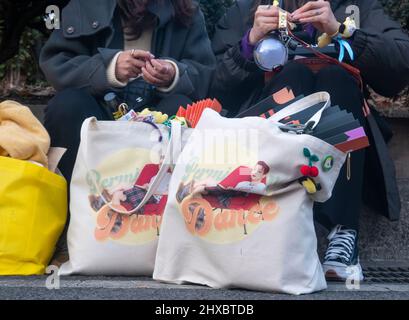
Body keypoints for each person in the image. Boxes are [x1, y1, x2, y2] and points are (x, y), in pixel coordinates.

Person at [210, 0, 409, 281]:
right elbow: (213, 86)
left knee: (337, 77)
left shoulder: (355, 6)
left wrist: (343, 31)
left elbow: (401, 62)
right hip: (266, 120)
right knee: (294, 73)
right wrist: (250, 41)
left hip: (342, 112)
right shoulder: (248, 9)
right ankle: (272, 227)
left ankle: (343, 232)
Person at [40, 0, 216, 184]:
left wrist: (173, 74)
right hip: (98, 107)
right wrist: (109, 69)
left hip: (157, 112)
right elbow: (57, 64)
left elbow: (206, 73)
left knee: (182, 108)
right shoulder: (84, 5)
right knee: (68, 104)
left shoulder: (187, 10)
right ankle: (70, 201)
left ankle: (162, 206)